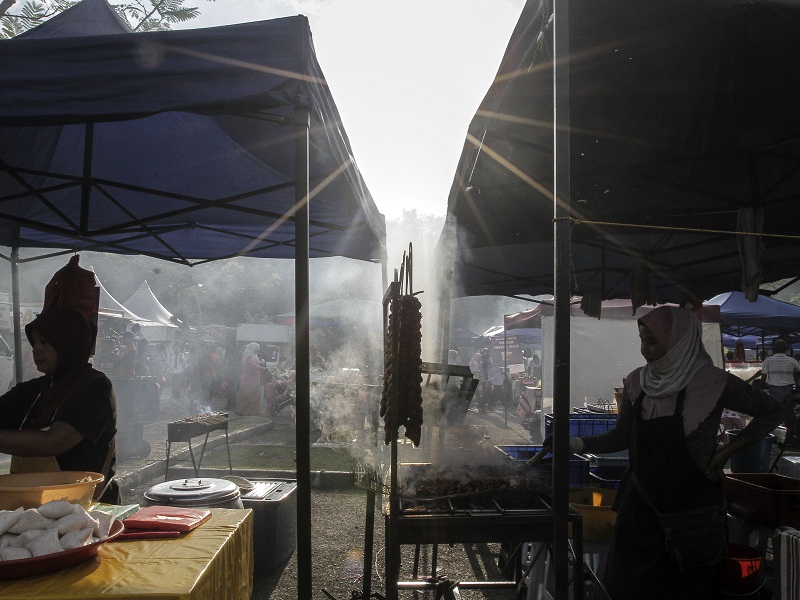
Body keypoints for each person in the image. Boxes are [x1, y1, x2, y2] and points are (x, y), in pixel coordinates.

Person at [541, 305, 782, 599]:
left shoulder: (713, 382)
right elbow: (622, 437)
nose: (645, 350)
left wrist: (728, 450)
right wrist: (578, 444)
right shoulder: (636, 383)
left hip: (692, 515)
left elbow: (772, 411)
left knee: (689, 589)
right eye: (642, 340)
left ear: (679, 341)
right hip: (640, 510)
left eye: (652, 341)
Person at [0, 306, 119, 504]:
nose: (36, 349)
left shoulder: (95, 387)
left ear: (68, 344)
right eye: (35, 342)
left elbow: (54, 442)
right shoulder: (35, 390)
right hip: (34, 504)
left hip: (84, 506)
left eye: (45, 342)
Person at [759, 338, 800, 442]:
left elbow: (763, 378)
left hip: (774, 391)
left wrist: (762, 388)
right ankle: (789, 438)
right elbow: (797, 375)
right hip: (789, 391)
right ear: (786, 349)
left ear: (773, 349)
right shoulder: (792, 360)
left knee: (774, 414)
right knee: (788, 415)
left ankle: (775, 438)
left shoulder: (768, 360)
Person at [235, 342, 267, 416]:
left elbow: (255, 365)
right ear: (252, 348)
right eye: (256, 347)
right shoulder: (249, 356)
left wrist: (261, 366)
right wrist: (263, 369)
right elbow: (253, 366)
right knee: (247, 396)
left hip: (254, 378)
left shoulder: (254, 356)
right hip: (248, 379)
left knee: (253, 396)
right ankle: (244, 411)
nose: (258, 349)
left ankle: (252, 411)